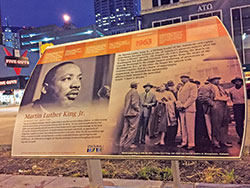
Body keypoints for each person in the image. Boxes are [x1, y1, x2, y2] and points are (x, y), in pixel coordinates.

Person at [205, 76, 232, 148]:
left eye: (218, 79)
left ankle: (223, 140)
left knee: (224, 123)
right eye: (215, 79)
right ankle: (216, 141)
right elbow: (205, 97)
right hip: (216, 104)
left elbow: (226, 95)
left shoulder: (221, 87)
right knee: (216, 124)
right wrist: (213, 104)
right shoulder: (209, 87)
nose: (217, 80)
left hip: (224, 104)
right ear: (211, 81)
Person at [176, 75, 198, 150]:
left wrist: (184, 106)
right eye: (181, 78)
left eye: (184, 77)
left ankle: (191, 143)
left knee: (190, 127)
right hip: (182, 109)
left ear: (188, 78)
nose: (182, 79)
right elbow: (178, 98)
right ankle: (184, 142)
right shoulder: (181, 87)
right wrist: (179, 105)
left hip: (189, 108)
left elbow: (193, 97)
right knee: (183, 127)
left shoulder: (192, 85)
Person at [119, 82, 141, 149]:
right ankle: (128, 145)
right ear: (136, 86)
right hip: (132, 114)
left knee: (125, 129)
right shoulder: (135, 92)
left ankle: (121, 143)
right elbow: (134, 103)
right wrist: (138, 110)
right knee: (132, 130)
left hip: (126, 114)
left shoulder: (128, 93)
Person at [229, 77, 245, 144]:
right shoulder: (231, 90)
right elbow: (232, 99)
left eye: (239, 81)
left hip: (245, 105)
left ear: (241, 82)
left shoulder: (244, 89)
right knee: (238, 123)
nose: (238, 83)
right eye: (236, 81)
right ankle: (241, 137)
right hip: (237, 106)